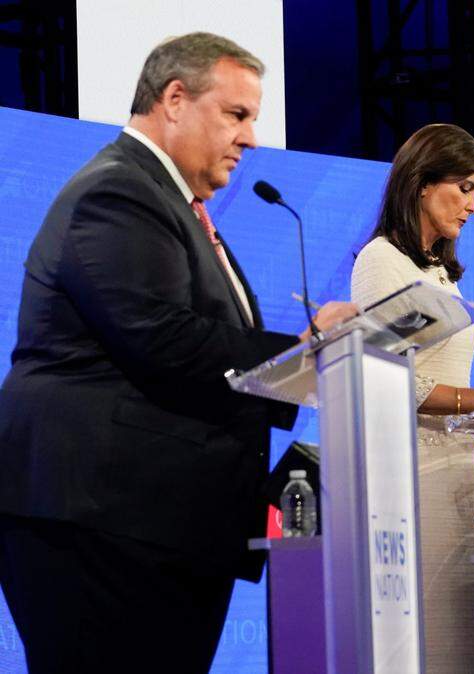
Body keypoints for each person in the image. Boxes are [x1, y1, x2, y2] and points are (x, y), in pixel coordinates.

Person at [0, 33, 356, 673]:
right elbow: (162, 339)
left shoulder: (168, 204)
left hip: (154, 524)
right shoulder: (118, 193)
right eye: (237, 114)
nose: (250, 138)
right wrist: (308, 352)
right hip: (103, 523)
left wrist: (305, 356)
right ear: (173, 99)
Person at [350, 123, 474, 672]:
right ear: (419, 182)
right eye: (465, 188)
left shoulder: (437, 269)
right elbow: (394, 380)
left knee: (460, 640)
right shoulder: (380, 261)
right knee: (426, 639)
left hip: (457, 468)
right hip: (409, 474)